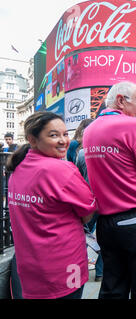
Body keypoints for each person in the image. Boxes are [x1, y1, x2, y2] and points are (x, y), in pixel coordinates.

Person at [83, 81, 136, 299]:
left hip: (106, 224)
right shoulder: (134, 126)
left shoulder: (90, 129)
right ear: (121, 100)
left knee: (113, 288)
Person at [6, 112, 96, 299]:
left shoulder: (17, 167)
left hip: (29, 269)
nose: (63, 140)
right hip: (63, 268)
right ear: (32, 139)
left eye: (65, 134)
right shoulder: (61, 169)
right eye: (53, 135)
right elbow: (88, 213)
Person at [74, 119, 103, 281]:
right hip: (106, 202)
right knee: (103, 237)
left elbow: (77, 177)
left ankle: (79, 267)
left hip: (88, 202)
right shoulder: (110, 151)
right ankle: (100, 272)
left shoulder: (82, 153)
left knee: (82, 235)